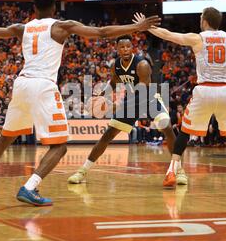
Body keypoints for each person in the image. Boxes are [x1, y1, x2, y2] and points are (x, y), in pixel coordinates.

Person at [0, 0, 161, 206]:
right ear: (54, 8)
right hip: (43, 85)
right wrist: (136, 27)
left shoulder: (22, 28)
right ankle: (30, 187)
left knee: (6, 137)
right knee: (60, 146)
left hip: (22, 84)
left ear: (34, 8)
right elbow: (101, 32)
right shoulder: (60, 26)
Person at [134, 9, 226, 188]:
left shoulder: (198, 38)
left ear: (206, 21)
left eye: (201, 17)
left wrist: (147, 27)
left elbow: (168, 35)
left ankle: (171, 172)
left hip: (205, 89)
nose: (200, 20)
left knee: (185, 131)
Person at [67, 35, 176, 184]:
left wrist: (117, 105)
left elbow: (143, 91)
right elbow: (113, 83)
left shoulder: (142, 64)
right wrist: (100, 95)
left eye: (128, 47)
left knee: (167, 127)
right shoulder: (116, 65)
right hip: (131, 101)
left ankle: (179, 170)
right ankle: (82, 171)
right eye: (122, 47)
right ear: (117, 49)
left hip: (149, 99)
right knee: (108, 135)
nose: (125, 49)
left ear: (132, 48)